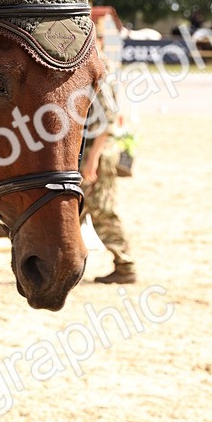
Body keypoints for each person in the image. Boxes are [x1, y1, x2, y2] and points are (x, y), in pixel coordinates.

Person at [81, 20, 137, 284]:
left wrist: (91, 161)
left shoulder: (100, 69)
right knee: (76, 209)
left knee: (102, 210)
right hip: (94, 150)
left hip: (98, 151)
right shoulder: (97, 67)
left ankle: (125, 264)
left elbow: (107, 120)